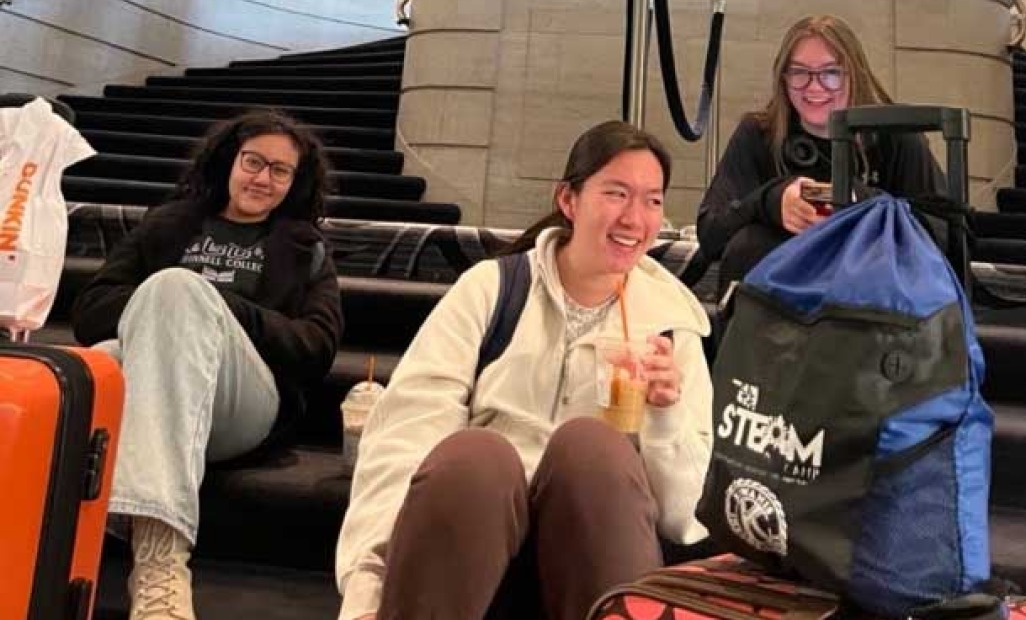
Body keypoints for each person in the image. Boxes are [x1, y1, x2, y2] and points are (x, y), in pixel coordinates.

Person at [336, 120, 713, 620]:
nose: (635, 218)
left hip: (592, 552)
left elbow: (683, 518)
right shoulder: (492, 289)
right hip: (470, 544)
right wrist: (366, 594)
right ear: (569, 200)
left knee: (593, 445)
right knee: (476, 455)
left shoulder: (671, 327)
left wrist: (666, 417)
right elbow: (404, 439)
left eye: (653, 200)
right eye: (617, 193)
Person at [72, 109, 344, 620]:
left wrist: (221, 308)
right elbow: (90, 310)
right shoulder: (170, 224)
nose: (263, 178)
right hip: (159, 390)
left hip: (242, 405)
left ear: (294, 181)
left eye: (279, 170)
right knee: (110, 353)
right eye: (254, 162)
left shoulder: (304, 250)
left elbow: (317, 346)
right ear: (230, 161)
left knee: (178, 287)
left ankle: (156, 558)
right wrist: (170, 309)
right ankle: (157, 565)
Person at [697, 14, 946, 290]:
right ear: (783, 78)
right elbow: (711, 232)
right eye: (800, 72)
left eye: (831, 73)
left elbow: (945, 234)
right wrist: (771, 202)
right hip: (774, 314)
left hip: (874, 311)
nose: (815, 87)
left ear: (854, 75)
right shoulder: (758, 134)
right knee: (749, 245)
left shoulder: (897, 137)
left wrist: (860, 202)